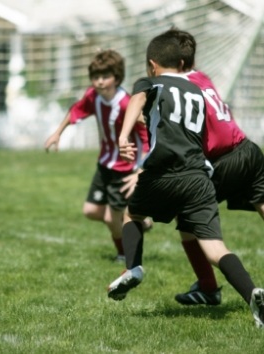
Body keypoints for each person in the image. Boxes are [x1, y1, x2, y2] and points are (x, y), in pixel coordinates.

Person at [106, 31, 264, 328]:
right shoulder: (197, 88)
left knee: (132, 213)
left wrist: (126, 135)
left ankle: (134, 268)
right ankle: (252, 293)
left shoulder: (150, 83)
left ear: (152, 64)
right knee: (215, 248)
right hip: (211, 169)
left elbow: (138, 100)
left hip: (168, 173)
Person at [163, 28, 264, 306]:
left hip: (223, 161)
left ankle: (210, 287)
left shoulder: (175, 91)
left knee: (188, 219)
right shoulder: (202, 76)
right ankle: (207, 287)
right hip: (249, 150)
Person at [44, 49, 151, 262]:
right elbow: (76, 110)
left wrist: (142, 166)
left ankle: (124, 255)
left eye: (105, 77)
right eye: (96, 77)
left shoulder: (126, 104)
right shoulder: (93, 97)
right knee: (91, 211)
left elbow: (144, 134)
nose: (100, 82)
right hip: (104, 164)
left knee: (112, 218)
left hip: (125, 168)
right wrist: (57, 133)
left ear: (117, 77)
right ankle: (138, 221)